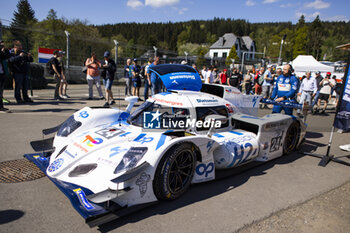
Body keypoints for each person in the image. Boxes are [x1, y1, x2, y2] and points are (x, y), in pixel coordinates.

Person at [0, 40, 11, 111]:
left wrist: (5, 49)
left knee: (0, 92)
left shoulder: (2, 52)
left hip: (1, 73)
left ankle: (0, 106)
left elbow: (7, 56)